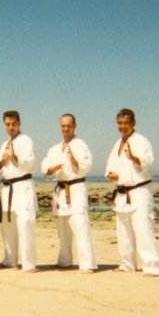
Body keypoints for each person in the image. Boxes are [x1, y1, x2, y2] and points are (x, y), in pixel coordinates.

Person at [105, 108, 159, 277]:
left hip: (139, 191)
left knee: (143, 228)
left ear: (133, 123)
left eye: (126, 123)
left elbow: (147, 163)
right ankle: (127, 263)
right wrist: (111, 174)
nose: (123, 126)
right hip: (122, 192)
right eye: (120, 123)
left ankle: (152, 266)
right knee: (123, 231)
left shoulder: (141, 141)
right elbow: (111, 165)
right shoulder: (118, 143)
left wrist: (134, 157)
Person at [41, 114, 97, 273]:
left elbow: (87, 165)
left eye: (69, 126)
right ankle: (64, 261)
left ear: (74, 126)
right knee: (63, 228)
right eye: (63, 126)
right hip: (61, 190)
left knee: (80, 225)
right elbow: (45, 166)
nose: (66, 129)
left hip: (76, 188)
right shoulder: (54, 148)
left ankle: (87, 264)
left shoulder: (80, 145)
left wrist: (74, 160)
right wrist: (50, 170)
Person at [0, 111, 37, 272]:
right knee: (7, 227)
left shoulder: (26, 141)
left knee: (25, 224)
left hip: (23, 186)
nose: (10, 127)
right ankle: (10, 260)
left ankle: (28, 263)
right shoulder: (4, 144)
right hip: (7, 188)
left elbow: (30, 163)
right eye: (7, 124)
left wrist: (14, 157)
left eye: (13, 124)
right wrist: (3, 160)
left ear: (19, 123)